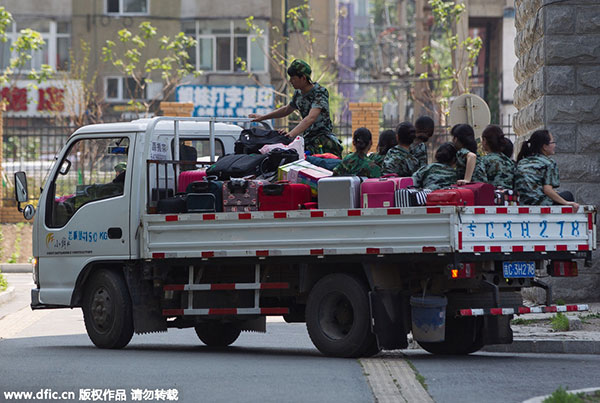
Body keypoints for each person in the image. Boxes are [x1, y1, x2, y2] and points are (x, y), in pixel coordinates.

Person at [249, 59, 343, 157]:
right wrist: (262, 117)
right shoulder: (298, 93)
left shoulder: (319, 92)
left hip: (323, 142)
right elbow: (286, 110)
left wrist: (291, 134)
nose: (290, 81)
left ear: (303, 78)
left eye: (293, 78)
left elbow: (311, 118)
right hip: (307, 140)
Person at [514, 129, 578, 209]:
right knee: (568, 195)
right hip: (540, 204)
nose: (555, 145)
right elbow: (547, 190)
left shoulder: (522, 162)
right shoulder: (548, 162)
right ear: (544, 146)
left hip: (522, 203)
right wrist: (566, 203)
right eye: (553, 142)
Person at [480, 125, 515, 189]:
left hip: (491, 197)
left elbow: (479, 184)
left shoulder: (483, 161)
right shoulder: (509, 162)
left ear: (484, 140)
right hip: (508, 197)